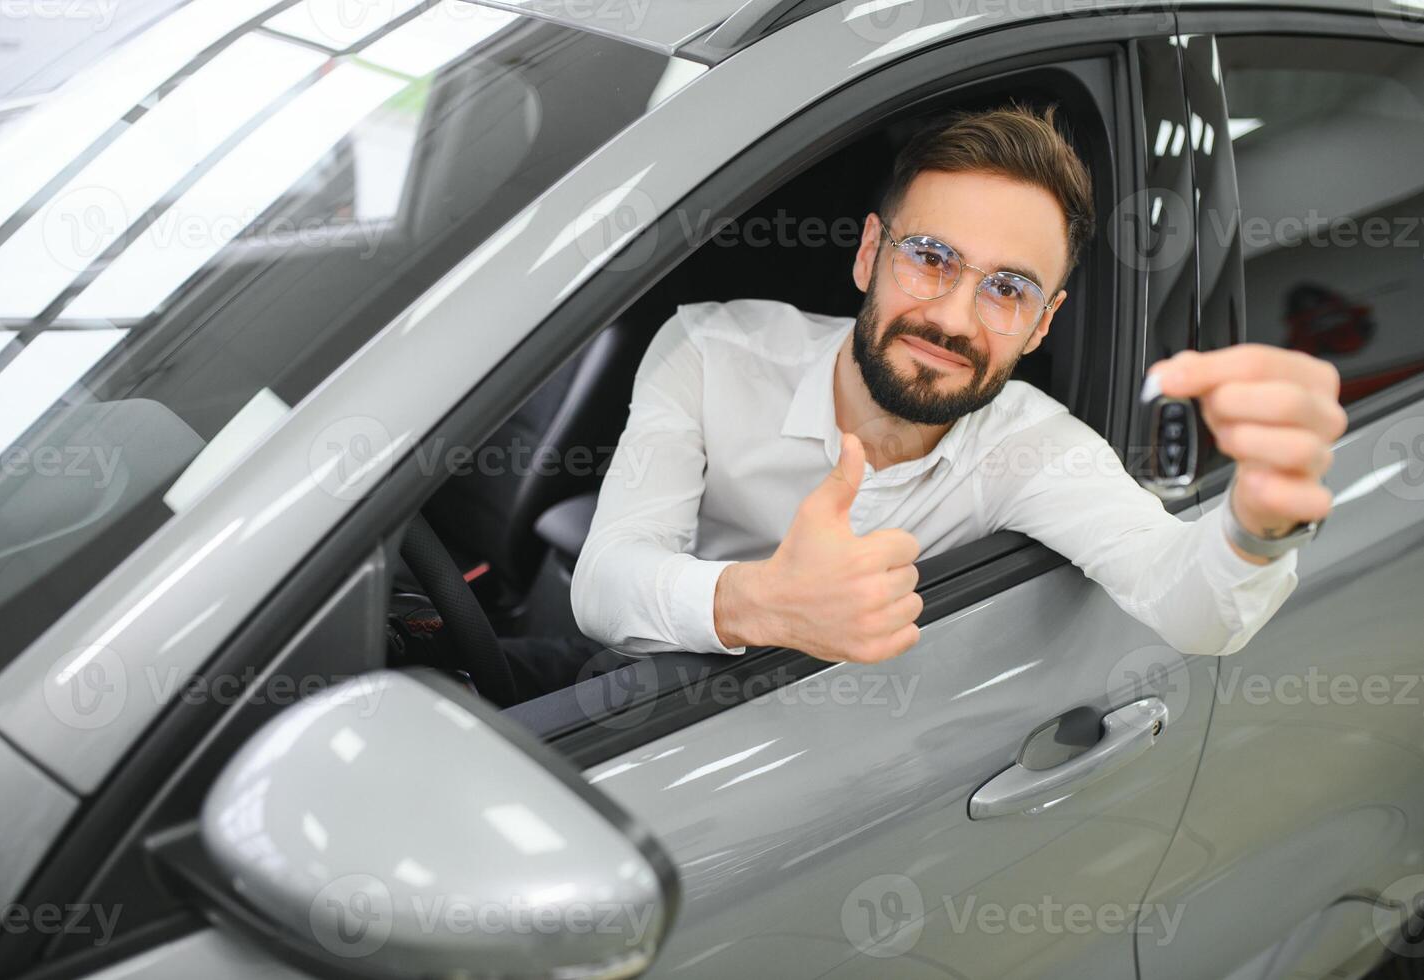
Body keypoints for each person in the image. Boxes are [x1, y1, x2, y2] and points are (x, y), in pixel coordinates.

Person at [500, 101, 1345, 702]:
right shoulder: (712, 351)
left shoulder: (1033, 449)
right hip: (629, 693)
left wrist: (1255, 529)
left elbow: (1189, 605)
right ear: (869, 253)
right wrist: (765, 602)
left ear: (1042, 324)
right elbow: (606, 582)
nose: (950, 317)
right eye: (930, 257)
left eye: (1006, 289)